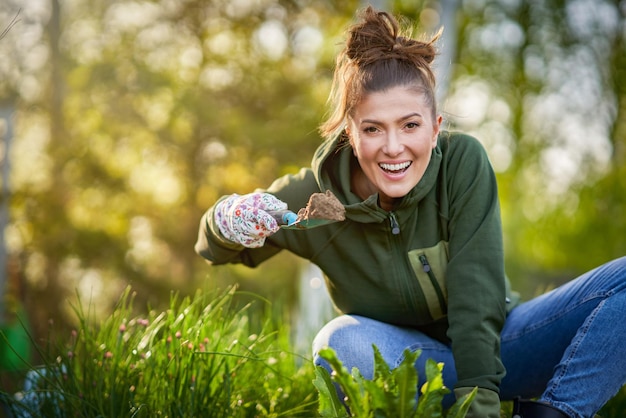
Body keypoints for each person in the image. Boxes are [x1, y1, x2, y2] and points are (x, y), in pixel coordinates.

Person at [195, 6, 626, 418]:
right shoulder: (316, 199)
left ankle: (553, 413)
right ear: (350, 134)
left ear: (436, 127)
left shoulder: (462, 164)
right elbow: (217, 250)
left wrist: (479, 404)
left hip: (503, 346)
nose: (394, 147)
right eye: (372, 129)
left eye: (410, 125)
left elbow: (477, 297)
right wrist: (226, 219)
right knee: (339, 342)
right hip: (408, 367)